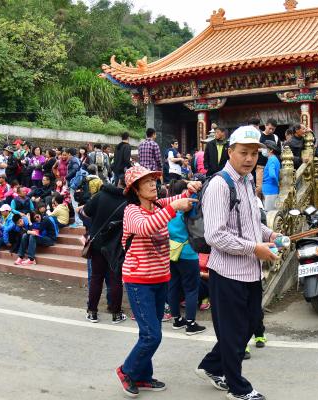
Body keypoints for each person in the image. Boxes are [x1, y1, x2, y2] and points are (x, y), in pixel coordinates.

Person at [196, 125, 280, 400]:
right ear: (230, 151)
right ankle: (238, 388)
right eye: (243, 152)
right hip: (228, 272)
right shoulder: (220, 185)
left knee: (250, 324)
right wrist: (254, 248)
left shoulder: (246, 184)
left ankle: (211, 365)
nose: (249, 159)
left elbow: (251, 223)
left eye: (254, 153)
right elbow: (215, 235)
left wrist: (271, 235)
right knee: (234, 334)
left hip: (250, 271)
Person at [115, 165, 200, 397]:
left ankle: (142, 376)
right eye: (147, 182)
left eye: (154, 180)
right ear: (135, 189)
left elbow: (179, 198)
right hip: (138, 281)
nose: (153, 184)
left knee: (149, 334)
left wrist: (190, 189)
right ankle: (126, 371)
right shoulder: (132, 212)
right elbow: (146, 227)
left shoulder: (158, 205)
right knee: (152, 334)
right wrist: (174, 207)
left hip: (160, 278)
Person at [81, 180, 130, 324]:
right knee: (115, 280)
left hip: (97, 245)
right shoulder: (129, 202)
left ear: (117, 182)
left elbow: (86, 212)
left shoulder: (100, 195)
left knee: (96, 278)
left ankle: (92, 312)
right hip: (115, 247)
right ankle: (116, 314)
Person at [167, 179, 206, 335]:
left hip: (171, 251)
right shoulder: (189, 206)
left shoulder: (169, 209)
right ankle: (190, 323)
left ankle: (177, 319)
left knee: (173, 286)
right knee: (191, 289)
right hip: (188, 253)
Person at [255, 118, 279, 198]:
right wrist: (262, 150)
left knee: (270, 185)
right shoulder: (258, 135)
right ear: (265, 126)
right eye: (270, 128)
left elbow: (279, 151)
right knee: (259, 188)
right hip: (260, 165)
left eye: (273, 129)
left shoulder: (275, 137)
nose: (271, 131)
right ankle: (259, 206)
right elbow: (253, 149)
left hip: (271, 164)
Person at [262, 141, 281, 212]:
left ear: (271, 150)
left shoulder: (272, 160)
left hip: (270, 190)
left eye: (264, 148)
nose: (263, 150)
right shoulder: (273, 159)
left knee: (269, 214)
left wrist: (277, 183)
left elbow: (272, 175)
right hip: (270, 189)